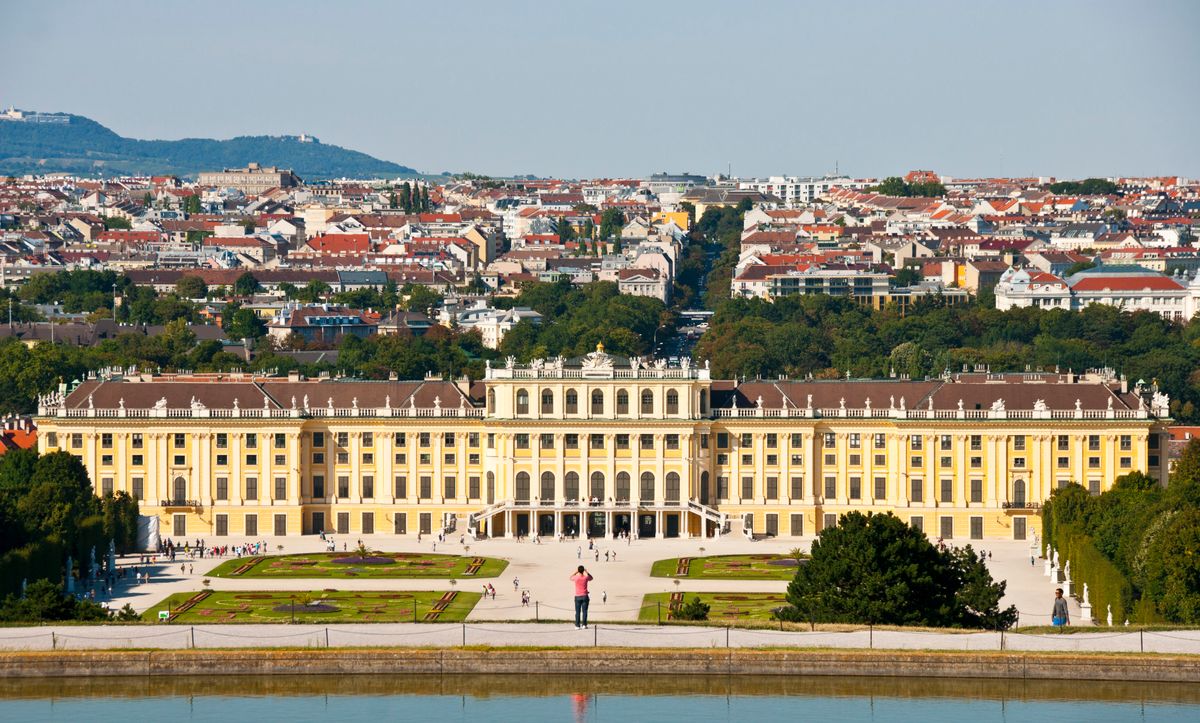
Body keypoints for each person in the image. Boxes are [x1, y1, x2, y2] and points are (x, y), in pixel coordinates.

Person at [570, 565, 594, 630]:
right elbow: (591, 578)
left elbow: (570, 577)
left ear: (578, 571)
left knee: (577, 612)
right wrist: (587, 572)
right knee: (585, 611)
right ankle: (584, 624)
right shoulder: (586, 578)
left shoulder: (576, 578)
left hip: (578, 596)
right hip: (585, 596)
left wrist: (576, 572)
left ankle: (577, 625)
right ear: (583, 571)